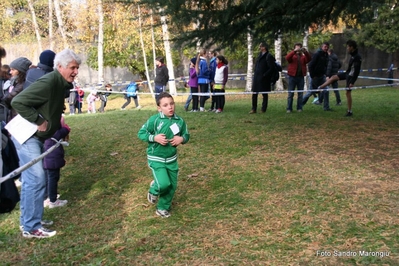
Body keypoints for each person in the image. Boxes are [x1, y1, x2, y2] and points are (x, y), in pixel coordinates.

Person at [11, 48, 81, 238]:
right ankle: (32, 227)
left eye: (77, 68)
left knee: (31, 181)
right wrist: (39, 121)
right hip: (26, 136)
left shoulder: (59, 82)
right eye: (72, 67)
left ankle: (29, 221)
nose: (75, 71)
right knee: (36, 178)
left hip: (35, 137)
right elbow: (18, 101)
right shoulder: (50, 81)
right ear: (59, 67)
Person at [138, 92, 190, 218]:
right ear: (159, 108)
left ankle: (162, 208)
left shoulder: (180, 121)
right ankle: (154, 188)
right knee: (163, 184)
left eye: (172, 104)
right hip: (156, 158)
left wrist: (181, 139)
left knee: (172, 185)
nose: (170, 107)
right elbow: (141, 133)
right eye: (165, 105)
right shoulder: (154, 120)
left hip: (172, 159)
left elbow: (186, 135)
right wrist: (154, 137)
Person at [318, 40, 362, 116]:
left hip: (351, 76)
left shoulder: (357, 57)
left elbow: (356, 71)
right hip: (347, 74)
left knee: (348, 93)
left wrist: (352, 82)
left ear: (352, 47)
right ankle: (320, 87)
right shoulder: (352, 55)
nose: (347, 48)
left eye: (348, 47)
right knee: (334, 77)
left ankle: (349, 111)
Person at [43, 116, 70, 208]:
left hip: (48, 151)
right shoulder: (50, 119)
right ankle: (53, 200)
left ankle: (48, 196)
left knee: (49, 176)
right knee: (52, 177)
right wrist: (65, 129)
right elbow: (55, 134)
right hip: (51, 152)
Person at [302, 42, 330, 111]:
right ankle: (300, 104)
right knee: (310, 92)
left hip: (322, 76)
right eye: (325, 47)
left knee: (326, 90)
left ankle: (326, 107)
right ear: (322, 47)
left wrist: (326, 74)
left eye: (327, 47)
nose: (326, 48)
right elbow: (311, 65)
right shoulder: (317, 54)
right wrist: (312, 75)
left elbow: (326, 66)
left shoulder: (326, 55)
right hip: (315, 76)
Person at [285, 43, 311, 113]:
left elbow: (309, 59)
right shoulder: (292, 55)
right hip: (292, 77)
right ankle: (289, 108)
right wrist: (294, 51)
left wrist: (305, 52)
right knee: (290, 94)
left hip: (300, 77)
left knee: (300, 94)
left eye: (299, 47)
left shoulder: (303, 57)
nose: (298, 49)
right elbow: (287, 58)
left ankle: (299, 107)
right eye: (297, 47)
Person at [249, 42, 275, 114]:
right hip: (257, 77)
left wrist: (265, 75)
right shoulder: (259, 55)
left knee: (264, 94)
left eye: (261, 47)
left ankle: (263, 109)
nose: (259, 48)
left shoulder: (269, 56)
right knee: (254, 93)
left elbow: (271, 68)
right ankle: (254, 109)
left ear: (264, 47)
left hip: (264, 78)